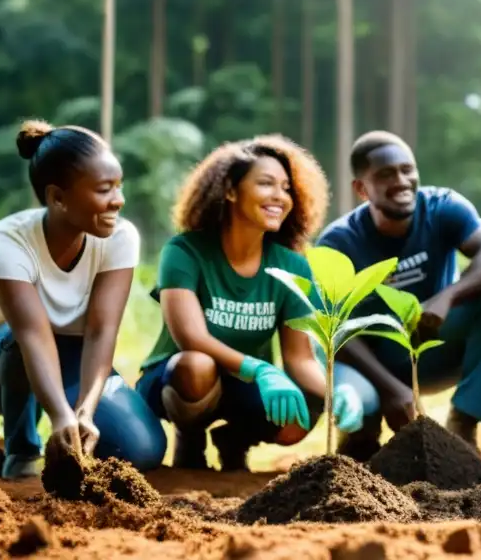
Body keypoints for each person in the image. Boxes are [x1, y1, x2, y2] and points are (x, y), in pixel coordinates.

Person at [0, 121, 166, 479]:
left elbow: (101, 331)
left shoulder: (120, 236)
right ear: (57, 197)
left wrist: (84, 411)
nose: (119, 200)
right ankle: (22, 454)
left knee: (141, 449)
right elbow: (31, 334)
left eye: (119, 186)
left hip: (69, 359)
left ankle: (65, 432)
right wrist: (60, 413)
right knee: (20, 344)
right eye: (104, 189)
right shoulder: (8, 240)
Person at [135, 135, 366, 471]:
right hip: (179, 379)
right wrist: (261, 368)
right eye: (266, 184)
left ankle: (236, 440)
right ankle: (190, 435)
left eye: (286, 188)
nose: (280, 196)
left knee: (301, 412)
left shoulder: (292, 266)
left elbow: (300, 357)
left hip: (248, 384)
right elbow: (191, 338)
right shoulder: (184, 252)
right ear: (229, 191)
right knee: (197, 364)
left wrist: (336, 392)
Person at [316, 130, 481, 455]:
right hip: (367, 358)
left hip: (428, 343)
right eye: (385, 174)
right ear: (361, 188)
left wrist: (447, 296)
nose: (401, 181)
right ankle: (359, 441)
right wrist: (392, 389)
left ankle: (464, 421)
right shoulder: (339, 242)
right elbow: (336, 334)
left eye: (406, 169)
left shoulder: (442, 207)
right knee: (360, 412)